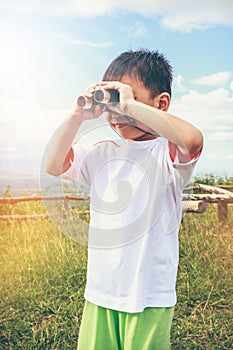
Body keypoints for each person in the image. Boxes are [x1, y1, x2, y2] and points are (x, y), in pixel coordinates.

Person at [46, 49, 203, 349]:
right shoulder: (102, 152)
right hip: (101, 292)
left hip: (149, 296)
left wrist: (129, 105)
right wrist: (75, 117)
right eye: (110, 105)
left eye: (123, 102)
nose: (116, 114)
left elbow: (193, 139)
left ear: (161, 104)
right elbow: (53, 164)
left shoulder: (167, 155)